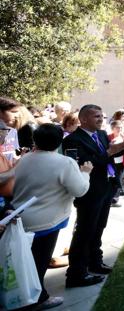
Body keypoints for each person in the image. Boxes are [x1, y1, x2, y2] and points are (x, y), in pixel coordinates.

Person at [12, 124, 92, 309]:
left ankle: (25, 295)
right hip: (46, 222)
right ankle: (38, 299)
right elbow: (80, 190)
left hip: (21, 217)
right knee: (39, 262)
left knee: (27, 261)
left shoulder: (24, 159)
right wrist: (85, 173)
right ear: (59, 141)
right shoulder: (65, 162)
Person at [61, 104, 124, 287]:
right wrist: (109, 152)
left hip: (105, 187)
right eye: (96, 116)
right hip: (89, 192)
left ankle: (95, 262)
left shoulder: (101, 135)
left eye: (102, 116)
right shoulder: (73, 140)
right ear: (83, 119)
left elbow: (107, 158)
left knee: (99, 228)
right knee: (84, 231)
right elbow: (86, 164)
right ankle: (76, 273)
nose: (101, 119)